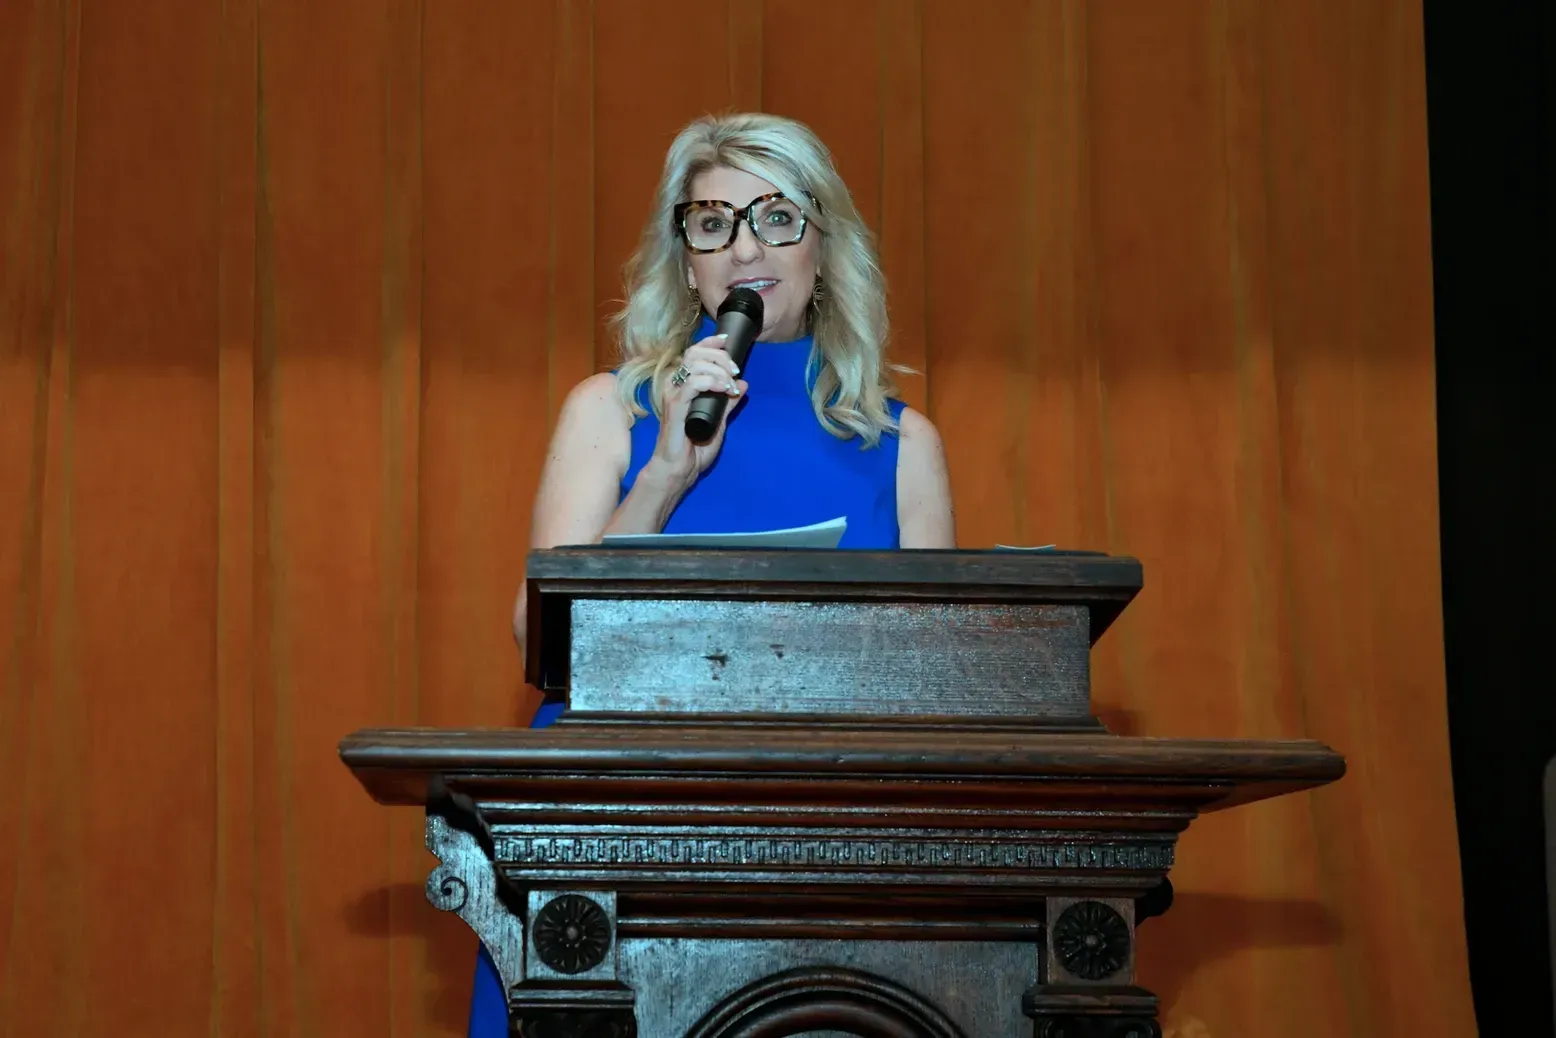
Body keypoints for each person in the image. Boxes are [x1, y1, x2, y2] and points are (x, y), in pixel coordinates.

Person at [466, 111, 955, 1036]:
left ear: (823, 244)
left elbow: (935, 686)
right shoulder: (609, 413)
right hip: (611, 830)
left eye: (777, 218)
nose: (744, 248)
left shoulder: (901, 445)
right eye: (713, 223)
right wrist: (665, 476)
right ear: (686, 260)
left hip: (828, 844)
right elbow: (545, 643)